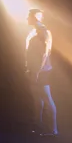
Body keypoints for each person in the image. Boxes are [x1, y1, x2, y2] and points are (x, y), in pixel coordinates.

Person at [25, 8, 58, 136]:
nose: (27, 19)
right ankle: (37, 124)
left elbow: (44, 53)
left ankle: (54, 129)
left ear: (35, 17)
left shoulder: (43, 32)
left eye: (29, 16)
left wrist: (38, 71)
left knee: (47, 98)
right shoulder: (34, 32)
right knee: (37, 99)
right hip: (34, 70)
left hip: (42, 71)